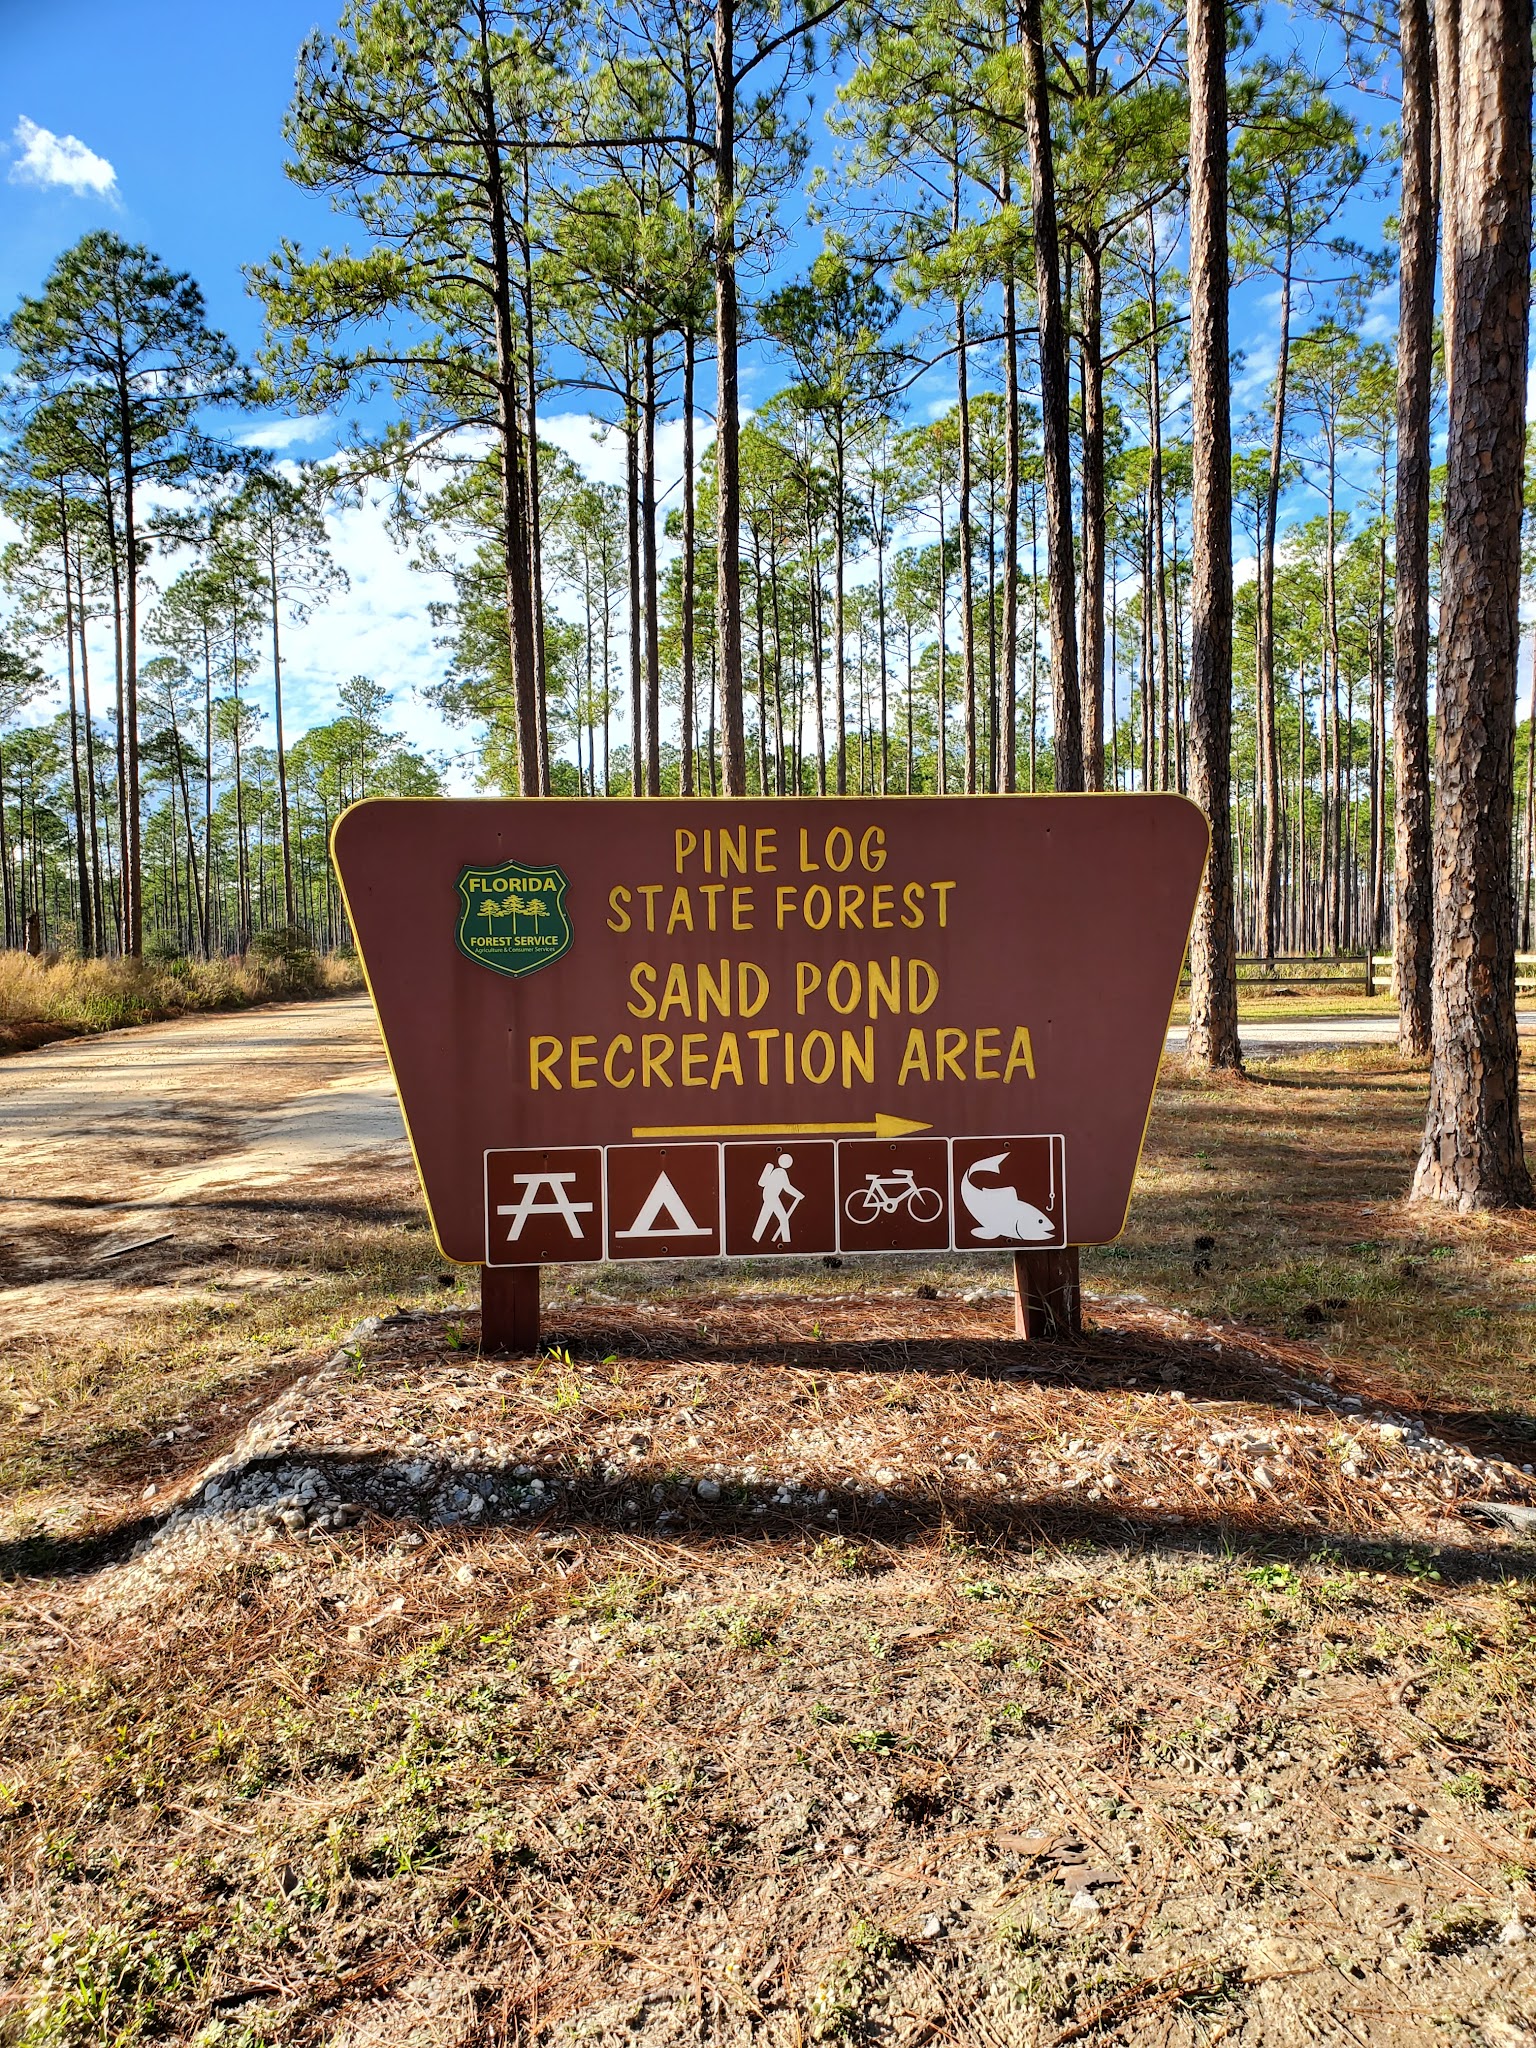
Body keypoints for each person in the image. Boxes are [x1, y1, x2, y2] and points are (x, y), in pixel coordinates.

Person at [752, 1152, 803, 1244]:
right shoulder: (781, 1172)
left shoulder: (776, 1171)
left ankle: (755, 1239)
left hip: (768, 1196)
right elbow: (787, 1187)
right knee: (783, 1218)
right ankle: (787, 1241)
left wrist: (797, 1194)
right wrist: (798, 1194)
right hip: (772, 1197)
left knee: (764, 1217)